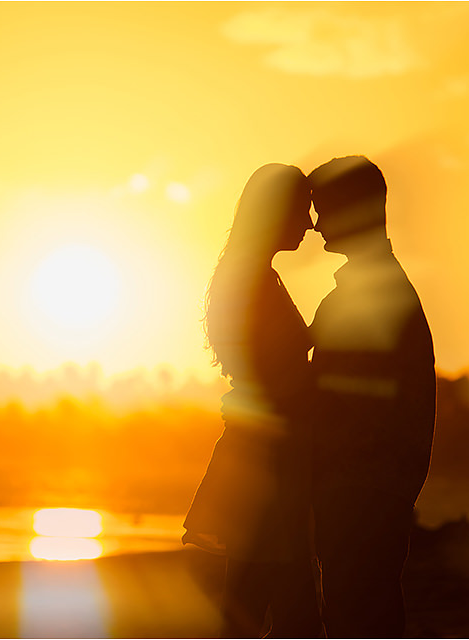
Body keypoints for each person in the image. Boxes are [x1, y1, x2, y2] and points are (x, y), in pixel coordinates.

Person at [183, 164, 322, 638]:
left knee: (264, 600)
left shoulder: (253, 276)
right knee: (268, 604)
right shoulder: (251, 282)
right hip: (267, 464)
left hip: (263, 455)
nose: (309, 223)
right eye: (301, 212)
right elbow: (270, 381)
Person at [308, 156, 436, 638]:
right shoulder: (374, 287)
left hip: (361, 492)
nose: (317, 226)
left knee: (358, 616)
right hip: (371, 491)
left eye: (324, 209)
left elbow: (347, 405)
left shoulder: (373, 294)